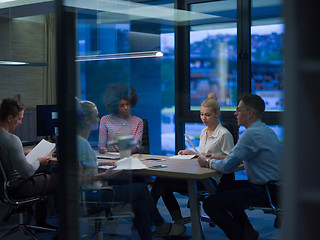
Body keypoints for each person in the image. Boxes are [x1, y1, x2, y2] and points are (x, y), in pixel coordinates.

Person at [77, 100, 186, 240]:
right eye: (96, 116)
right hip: (95, 195)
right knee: (141, 190)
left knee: (140, 205)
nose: (98, 119)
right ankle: (162, 226)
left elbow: (85, 165)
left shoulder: (80, 142)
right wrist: (104, 175)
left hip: (95, 191)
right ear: (86, 119)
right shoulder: (81, 145)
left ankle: (161, 228)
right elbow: (78, 178)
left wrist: (104, 163)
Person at [198, 94, 282, 240]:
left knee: (209, 204)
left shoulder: (250, 134)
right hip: (275, 187)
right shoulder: (266, 130)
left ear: (249, 113)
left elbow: (227, 166)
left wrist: (207, 162)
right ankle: (247, 230)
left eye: (238, 110)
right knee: (224, 188)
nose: (235, 113)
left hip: (265, 190)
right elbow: (237, 160)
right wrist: (216, 159)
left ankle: (238, 237)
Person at [151, 93, 234, 225]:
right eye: (201, 114)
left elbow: (231, 158)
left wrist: (214, 157)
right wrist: (192, 153)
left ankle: (150, 216)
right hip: (197, 173)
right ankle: (176, 221)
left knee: (161, 183)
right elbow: (203, 154)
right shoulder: (203, 132)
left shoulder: (224, 134)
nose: (203, 118)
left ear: (216, 114)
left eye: (207, 115)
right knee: (162, 182)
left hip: (209, 178)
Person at [0, 98, 58, 229]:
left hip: (4, 188)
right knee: (60, 178)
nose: (20, 123)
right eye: (19, 119)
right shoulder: (12, 140)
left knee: (45, 174)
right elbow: (26, 173)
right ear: (10, 118)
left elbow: (6, 161)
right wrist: (39, 161)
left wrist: (22, 155)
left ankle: (40, 222)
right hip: (18, 188)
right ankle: (63, 230)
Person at [98, 82, 143, 154]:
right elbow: (101, 145)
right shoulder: (105, 120)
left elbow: (136, 145)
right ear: (115, 105)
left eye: (128, 105)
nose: (126, 108)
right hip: (110, 158)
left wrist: (124, 154)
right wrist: (103, 150)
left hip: (130, 158)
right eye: (122, 105)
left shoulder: (138, 121)